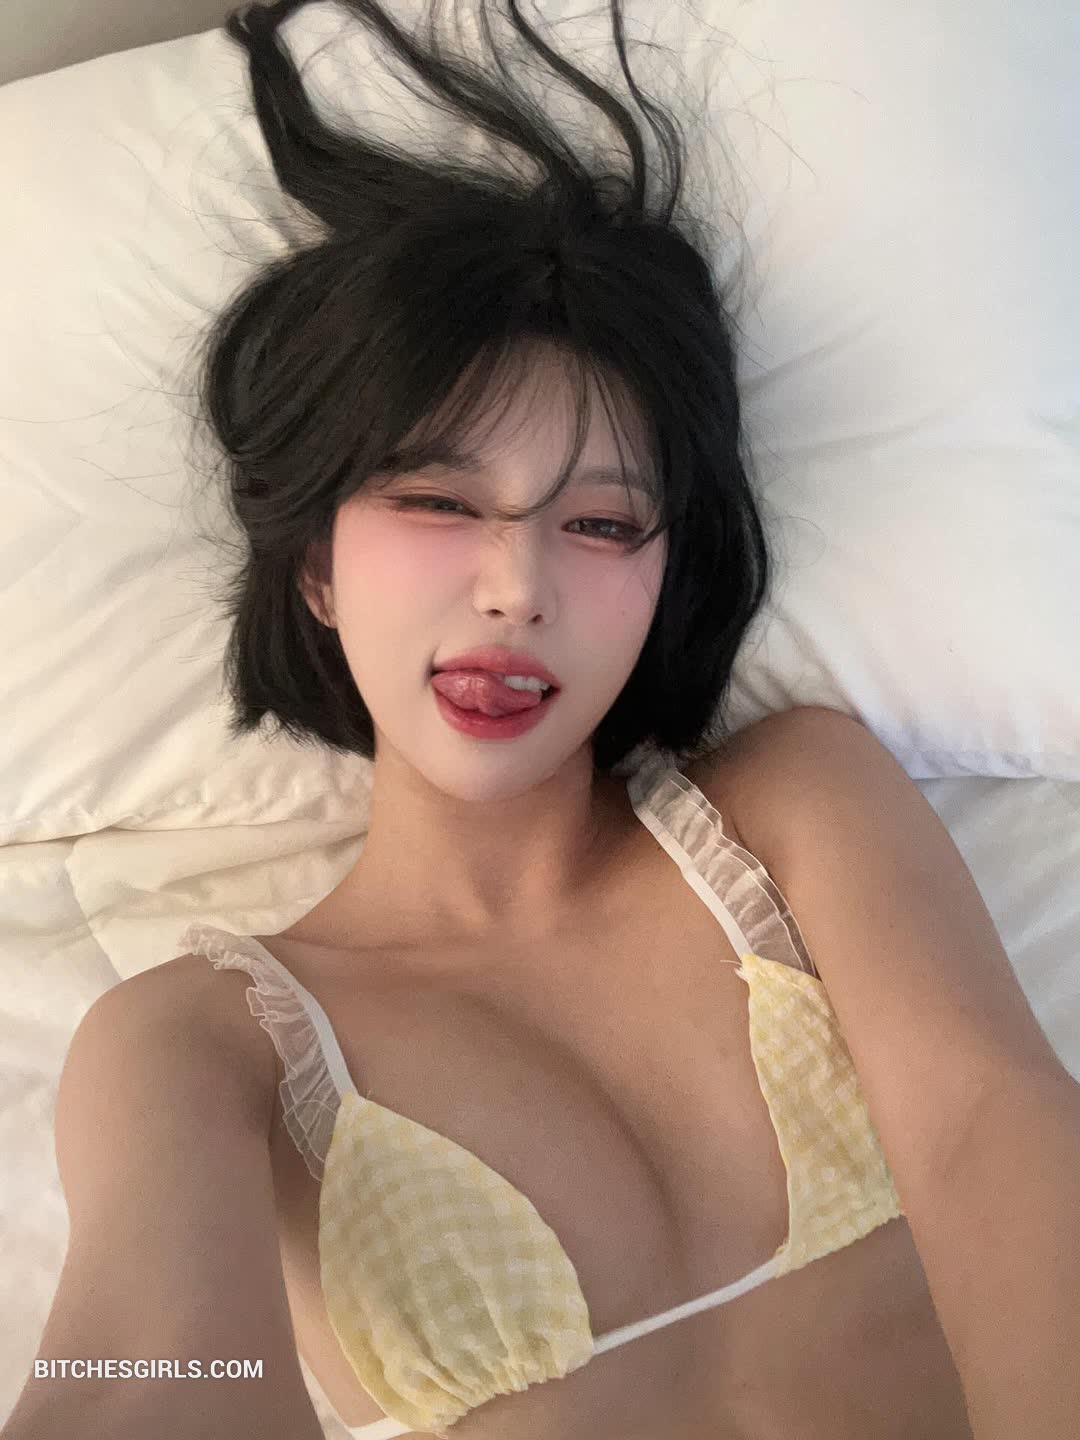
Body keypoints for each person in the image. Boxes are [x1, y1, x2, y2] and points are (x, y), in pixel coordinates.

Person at [6, 3, 1078, 1439]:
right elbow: (146, 1375)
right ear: (315, 564)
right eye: (438, 500)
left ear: (664, 574)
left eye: (602, 522)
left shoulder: (795, 811)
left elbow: (995, 1129)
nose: (517, 587)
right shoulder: (200, 1044)